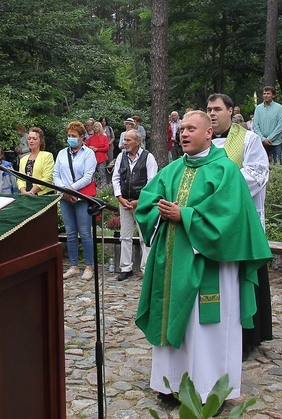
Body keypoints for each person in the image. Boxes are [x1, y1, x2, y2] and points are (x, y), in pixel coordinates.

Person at [135, 110, 272, 405]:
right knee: (174, 323)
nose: (183, 134)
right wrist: (159, 211)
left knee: (206, 330)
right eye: (181, 129)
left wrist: (184, 215)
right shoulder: (172, 169)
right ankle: (171, 386)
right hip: (172, 264)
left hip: (211, 264)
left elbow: (231, 218)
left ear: (209, 133)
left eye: (191, 129)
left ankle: (211, 390)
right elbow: (147, 201)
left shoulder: (225, 171)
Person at [206, 93, 272, 359]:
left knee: (242, 282)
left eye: (217, 109)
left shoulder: (247, 139)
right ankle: (213, 332)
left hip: (241, 226)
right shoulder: (202, 141)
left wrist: (219, 184)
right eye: (209, 109)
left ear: (231, 111)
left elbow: (258, 173)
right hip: (210, 226)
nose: (212, 114)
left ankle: (247, 337)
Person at [111, 129, 158, 281]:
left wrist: (140, 201)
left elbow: (152, 182)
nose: (125, 143)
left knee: (145, 237)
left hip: (142, 203)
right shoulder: (120, 157)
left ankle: (146, 269)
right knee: (125, 236)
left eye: (128, 140)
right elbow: (116, 177)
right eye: (124, 140)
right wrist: (119, 197)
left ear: (138, 142)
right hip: (124, 202)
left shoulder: (148, 157)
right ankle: (126, 268)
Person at [53, 121, 97, 281]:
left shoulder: (88, 154)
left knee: (85, 232)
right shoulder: (61, 154)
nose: (71, 138)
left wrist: (71, 188)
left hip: (82, 197)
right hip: (65, 197)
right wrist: (64, 191)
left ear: (82, 137)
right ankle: (73, 266)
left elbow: (87, 176)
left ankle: (89, 266)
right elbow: (55, 174)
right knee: (70, 232)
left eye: (74, 136)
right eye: (69, 136)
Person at [17, 127, 54, 196]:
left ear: (41, 141)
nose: (31, 141)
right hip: (26, 195)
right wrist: (24, 192)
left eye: (34, 139)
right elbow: (20, 179)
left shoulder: (47, 156)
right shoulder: (23, 159)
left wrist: (32, 191)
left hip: (43, 196)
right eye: (29, 138)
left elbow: (47, 178)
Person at [253, 86, 282, 164]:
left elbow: (280, 125)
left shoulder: (278, 107)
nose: (266, 95)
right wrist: (263, 139)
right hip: (262, 142)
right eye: (264, 94)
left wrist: (270, 138)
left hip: (276, 142)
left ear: (273, 95)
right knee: (262, 165)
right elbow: (255, 126)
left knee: (277, 165)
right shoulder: (258, 108)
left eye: (268, 93)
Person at [85, 121, 110, 188]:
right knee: (94, 174)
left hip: (101, 158)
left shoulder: (104, 137)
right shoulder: (91, 138)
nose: (95, 128)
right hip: (92, 158)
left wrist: (97, 149)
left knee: (102, 174)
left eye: (97, 126)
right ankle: (95, 187)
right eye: (94, 127)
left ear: (100, 127)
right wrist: (90, 148)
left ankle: (104, 188)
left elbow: (106, 148)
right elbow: (85, 147)